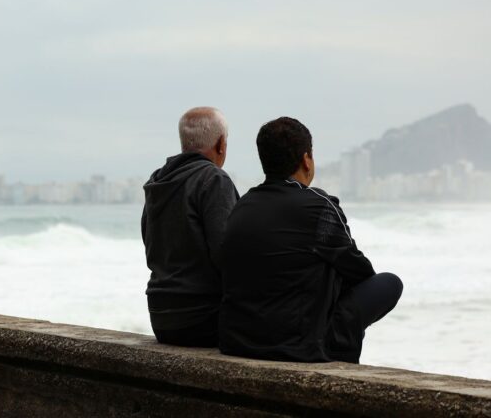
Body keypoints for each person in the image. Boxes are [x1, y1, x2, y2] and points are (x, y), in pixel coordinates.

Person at [219, 117, 403, 363]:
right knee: (389, 283)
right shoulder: (319, 206)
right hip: (299, 345)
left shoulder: (241, 207)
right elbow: (359, 271)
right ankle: (337, 350)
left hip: (238, 341)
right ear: (307, 160)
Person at [142, 107, 239, 347]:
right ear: (221, 144)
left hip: (161, 317)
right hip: (204, 318)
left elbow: (149, 243)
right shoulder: (214, 179)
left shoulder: (158, 181)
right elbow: (226, 254)